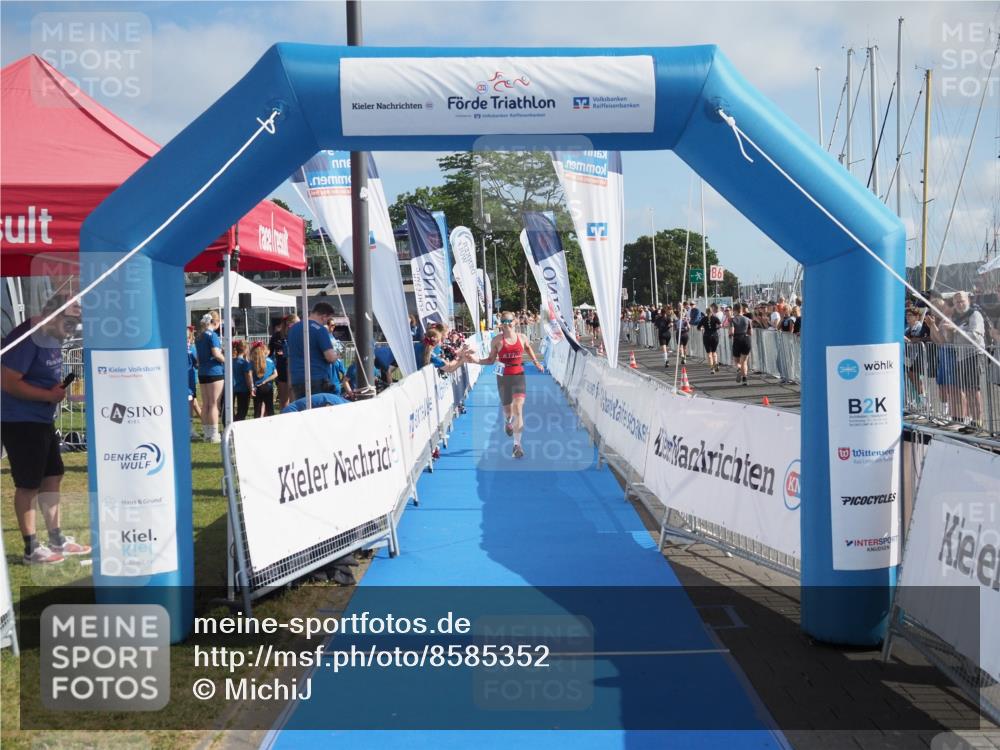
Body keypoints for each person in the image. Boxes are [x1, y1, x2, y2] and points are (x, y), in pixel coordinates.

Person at [1, 296, 91, 564]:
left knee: (53, 475)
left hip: (41, 418)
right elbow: (7, 381)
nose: (72, 330)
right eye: (69, 323)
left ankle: (56, 539)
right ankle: (31, 548)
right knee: (28, 483)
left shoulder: (51, 336)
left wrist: (53, 393)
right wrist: (47, 395)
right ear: (52, 315)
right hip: (20, 420)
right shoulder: (29, 337)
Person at [471, 312, 544, 459]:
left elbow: (528, 348)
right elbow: (490, 360)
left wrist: (536, 362)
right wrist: (475, 360)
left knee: (518, 409)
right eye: (504, 321)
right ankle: (507, 421)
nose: (507, 324)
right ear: (501, 324)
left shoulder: (522, 338)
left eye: (509, 321)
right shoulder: (497, 340)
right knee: (508, 410)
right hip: (503, 377)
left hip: (518, 375)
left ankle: (517, 445)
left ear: (515, 322)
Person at [286, 302, 338, 400]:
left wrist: (290, 380)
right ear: (324, 316)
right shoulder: (320, 330)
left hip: (297, 378)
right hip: (316, 378)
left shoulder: (293, 329)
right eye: (327, 320)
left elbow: (289, 357)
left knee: (302, 407)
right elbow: (330, 357)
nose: (326, 323)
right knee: (318, 408)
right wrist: (336, 356)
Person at [195, 310, 226, 442]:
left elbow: (199, 356)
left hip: (202, 372)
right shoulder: (212, 335)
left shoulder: (199, 336)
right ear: (215, 322)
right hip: (214, 372)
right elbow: (216, 354)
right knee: (214, 404)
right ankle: (214, 434)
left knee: (206, 403)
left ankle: (207, 433)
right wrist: (226, 360)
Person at [269, 314, 297, 411]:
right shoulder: (277, 336)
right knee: (284, 399)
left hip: (295, 368)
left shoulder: (299, 334)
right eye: (296, 323)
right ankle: (284, 414)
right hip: (282, 369)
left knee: (294, 398)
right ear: (289, 323)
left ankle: (293, 415)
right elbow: (269, 352)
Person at [729, 302, 753, 385]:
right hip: (746, 339)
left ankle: (739, 368)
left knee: (737, 361)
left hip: (737, 339)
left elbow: (732, 332)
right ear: (742, 310)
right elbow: (751, 332)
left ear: (734, 310)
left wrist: (730, 335)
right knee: (744, 361)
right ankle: (744, 379)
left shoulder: (732, 320)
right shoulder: (748, 319)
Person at [231, 340, 253, 422]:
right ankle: (237, 423)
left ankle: (232, 422)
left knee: (231, 411)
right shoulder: (244, 363)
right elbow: (248, 377)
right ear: (246, 349)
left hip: (232, 388)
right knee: (242, 411)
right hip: (243, 389)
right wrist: (251, 389)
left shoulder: (231, 361)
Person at [698, 303, 723, 373]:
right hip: (714, 336)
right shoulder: (715, 318)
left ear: (706, 312)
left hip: (706, 336)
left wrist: (702, 328)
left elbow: (698, 327)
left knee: (709, 353)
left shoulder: (703, 319)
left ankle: (712, 368)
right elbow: (720, 325)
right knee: (714, 352)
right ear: (712, 311)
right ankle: (716, 363)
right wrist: (716, 328)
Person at [186, 327, 202, 436]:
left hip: (190, 380)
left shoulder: (192, 348)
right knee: (190, 403)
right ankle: (190, 429)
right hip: (188, 381)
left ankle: (192, 427)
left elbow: (196, 364)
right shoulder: (191, 348)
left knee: (192, 402)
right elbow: (197, 363)